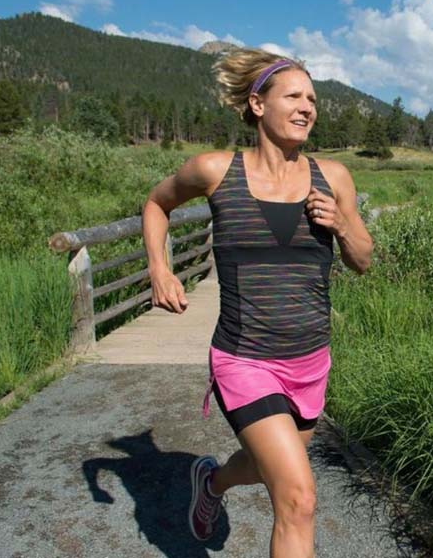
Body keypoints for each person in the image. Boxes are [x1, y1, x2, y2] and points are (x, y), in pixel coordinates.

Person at [141, 49, 373, 557]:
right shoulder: (214, 170)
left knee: (260, 464)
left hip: (311, 361)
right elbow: (156, 204)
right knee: (298, 498)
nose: (307, 106)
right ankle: (219, 483)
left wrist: (343, 223)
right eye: (294, 95)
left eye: (312, 98)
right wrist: (160, 268)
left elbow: (362, 260)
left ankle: (213, 483)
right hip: (245, 359)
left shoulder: (332, 177)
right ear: (257, 104)